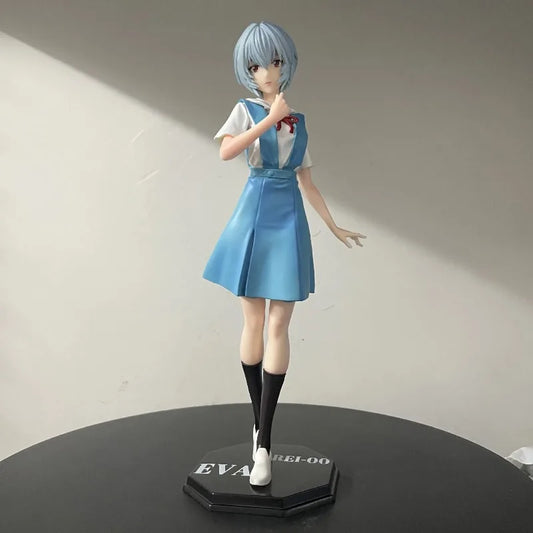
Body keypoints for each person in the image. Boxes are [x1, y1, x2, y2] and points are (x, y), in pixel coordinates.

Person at [203, 21, 366, 486]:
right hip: (254, 213)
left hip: (288, 216)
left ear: (287, 63)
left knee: (280, 323)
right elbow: (227, 152)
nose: (267, 72)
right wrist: (270, 119)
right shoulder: (244, 110)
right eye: (257, 65)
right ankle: (260, 433)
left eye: (274, 62)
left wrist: (332, 225)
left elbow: (307, 182)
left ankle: (264, 438)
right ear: (247, 70)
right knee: (253, 321)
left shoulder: (301, 122)